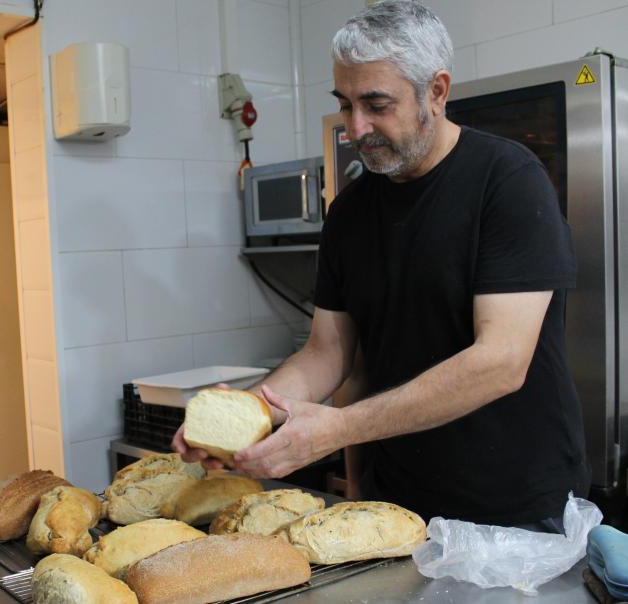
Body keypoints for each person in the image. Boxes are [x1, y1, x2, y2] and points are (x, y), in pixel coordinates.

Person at [173, 0, 589, 532]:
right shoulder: (349, 210)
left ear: (436, 92)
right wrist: (253, 415)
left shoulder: (506, 181)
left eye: (376, 104)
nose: (355, 127)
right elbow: (327, 351)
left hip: (516, 507)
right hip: (400, 503)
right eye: (345, 104)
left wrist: (338, 427)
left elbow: (501, 361)